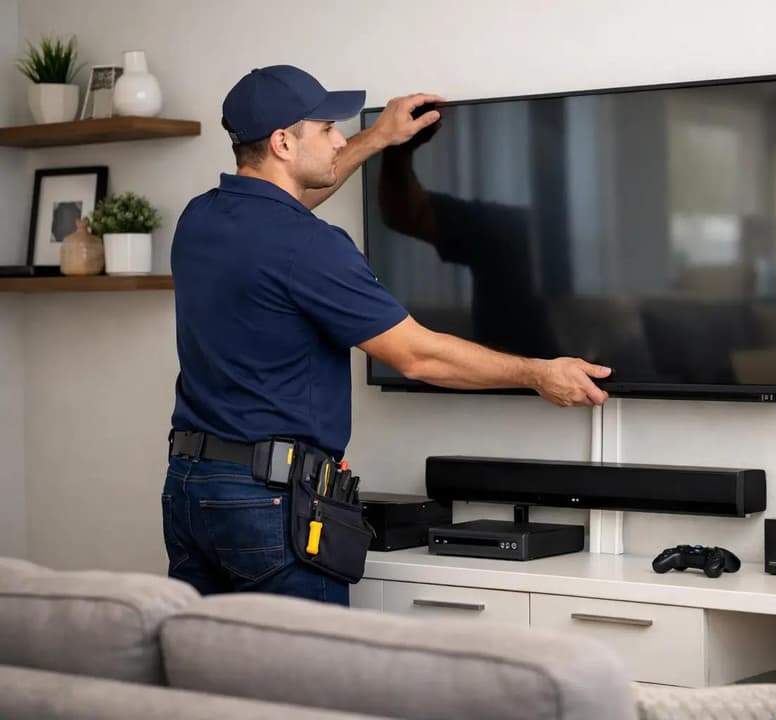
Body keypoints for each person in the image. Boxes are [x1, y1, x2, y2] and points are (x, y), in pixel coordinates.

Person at [163, 65, 611, 606]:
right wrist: (537, 372)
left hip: (191, 489)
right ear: (282, 143)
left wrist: (378, 137)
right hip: (269, 507)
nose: (339, 140)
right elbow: (418, 357)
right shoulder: (311, 246)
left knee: (204, 657)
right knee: (305, 664)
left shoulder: (201, 219)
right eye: (327, 128)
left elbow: (279, 212)